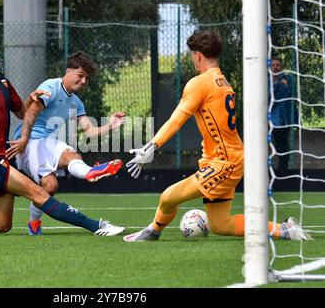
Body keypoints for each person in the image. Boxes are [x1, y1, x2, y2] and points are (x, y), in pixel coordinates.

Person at [122, 30, 311, 242]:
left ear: (198, 56)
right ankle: (284, 230)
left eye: (192, 55)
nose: (192, 59)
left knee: (167, 197)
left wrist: (152, 146)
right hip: (228, 159)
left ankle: (152, 231)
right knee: (220, 225)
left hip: (224, 162)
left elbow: (176, 120)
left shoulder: (199, 83)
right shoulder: (222, 81)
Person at [0, 34, 124, 237]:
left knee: (1, 224)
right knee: (40, 193)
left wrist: (32, 98)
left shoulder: (3, 83)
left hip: (2, 155)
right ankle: (97, 226)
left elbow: (23, 112)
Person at [12, 51, 126, 236]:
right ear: (68, 71)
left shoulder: (76, 102)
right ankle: (90, 172)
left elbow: (89, 130)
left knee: (50, 187)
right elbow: (31, 112)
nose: (83, 81)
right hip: (29, 142)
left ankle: (33, 224)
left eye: (86, 78)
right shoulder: (52, 86)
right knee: (71, 157)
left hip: (46, 143)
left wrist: (110, 125)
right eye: (80, 75)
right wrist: (24, 139)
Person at [270, 57, 296, 170]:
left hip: (282, 120)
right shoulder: (266, 81)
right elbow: (269, 98)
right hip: (268, 119)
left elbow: (292, 97)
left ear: (282, 67)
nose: (275, 67)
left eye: (278, 65)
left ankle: (283, 171)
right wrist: (279, 85)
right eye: (273, 65)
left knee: (282, 146)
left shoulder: (288, 80)